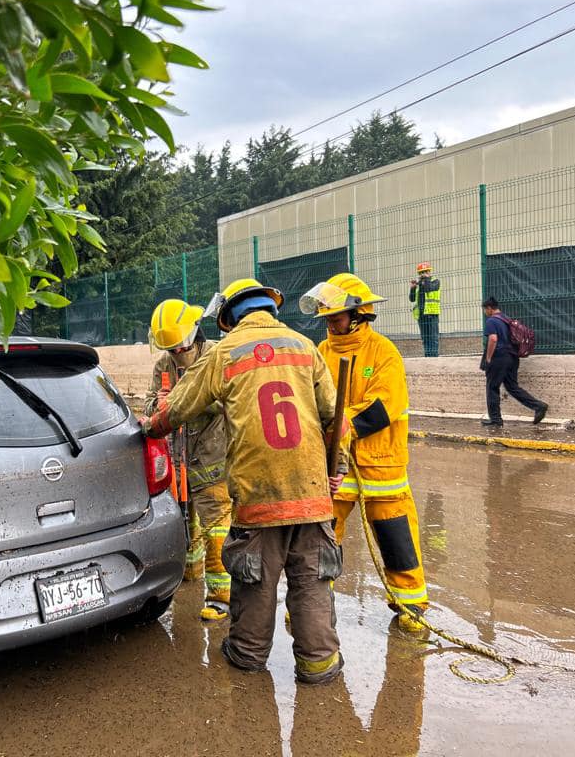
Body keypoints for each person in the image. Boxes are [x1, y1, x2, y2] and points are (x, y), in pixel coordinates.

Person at [143, 279, 345, 684]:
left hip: (258, 495)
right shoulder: (305, 348)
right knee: (312, 583)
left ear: (229, 316)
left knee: (255, 581)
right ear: (269, 308)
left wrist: (151, 427)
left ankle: (247, 656)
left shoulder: (224, 354)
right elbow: (335, 419)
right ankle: (319, 664)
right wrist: (334, 468)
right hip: (311, 493)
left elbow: (176, 409)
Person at [301, 273, 429, 632]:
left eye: (336, 316)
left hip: (380, 466)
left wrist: (345, 425)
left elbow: (386, 406)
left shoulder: (384, 353)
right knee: (320, 540)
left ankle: (410, 606)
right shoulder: (321, 353)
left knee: (397, 540)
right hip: (333, 467)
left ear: (358, 315)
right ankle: (309, 606)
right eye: (326, 317)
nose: (329, 323)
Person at [146, 299, 232, 621]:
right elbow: (152, 406)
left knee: (217, 531)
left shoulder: (216, 357)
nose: (176, 354)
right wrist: (159, 404)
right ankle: (191, 574)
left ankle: (222, 597)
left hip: (211, 461)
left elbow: (228, 403)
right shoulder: (163, 366)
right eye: (170, 349)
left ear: (194, 332)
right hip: (178, 462)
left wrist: (187, 402)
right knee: (186, 524)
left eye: (179, 348)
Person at [480, 297, 548, 427]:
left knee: (492, 387)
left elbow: (493, 339)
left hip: (499, 357)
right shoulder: (506, 319)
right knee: (512, 387)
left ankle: (495, 420)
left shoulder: (492, 321)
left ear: (489, 308)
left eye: (485, 309)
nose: (485, 312)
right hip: (512, 358)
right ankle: (538, 406)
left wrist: (488, 358)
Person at [409, 262, 441, 357]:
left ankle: (434, 357)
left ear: (429, 272)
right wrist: (413, 289)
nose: (423, 274)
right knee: (425, 338)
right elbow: (412, 299)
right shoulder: (419, 284)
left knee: (433, 337)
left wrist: (426, 279)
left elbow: (428, 289)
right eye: (421, 272)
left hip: (431, 314)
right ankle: (427, 357)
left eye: (425, 272)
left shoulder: (435, 281)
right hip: (421, 315)